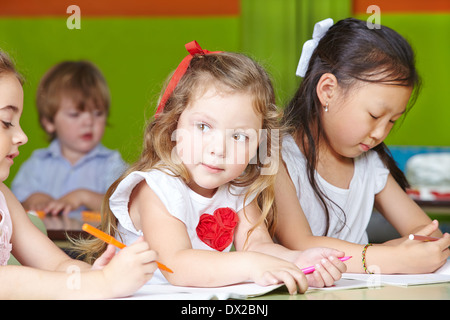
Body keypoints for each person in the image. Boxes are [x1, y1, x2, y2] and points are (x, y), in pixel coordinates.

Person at [74, 41, 347, 295]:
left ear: (259, 145)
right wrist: (252, 265)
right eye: (204, 127)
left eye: (239, 136)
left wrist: (299, 261)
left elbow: (258, 245)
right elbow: (178, 265)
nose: (219, 149)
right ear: (174, 125)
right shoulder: (155, 189)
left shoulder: (237, 188)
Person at [276, 18, 450, 274]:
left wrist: (410, 250)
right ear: (328, 91)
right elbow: (302, 245)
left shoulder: (369, 163)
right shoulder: (275, 156)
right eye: (374, 115)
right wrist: (393, 257)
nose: (380, 133)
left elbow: (428, 233)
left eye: (392, 121)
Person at [0, 50, 157, 299]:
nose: (22, 136)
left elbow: (56, 265)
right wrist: (102, 283)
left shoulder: (4, 197)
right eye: (6, 121)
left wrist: (95, 275)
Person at [12, 60, 126, 215]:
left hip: (94, 239)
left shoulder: (112, 164)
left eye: (98, 113)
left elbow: (126, 207)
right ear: (49, 122)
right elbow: (12, 207)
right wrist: (33, 199)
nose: (89, 122)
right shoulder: (37, 164)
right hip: (46, 239)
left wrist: (83, 196)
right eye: (75, 114)